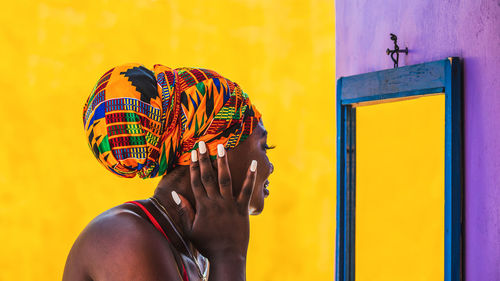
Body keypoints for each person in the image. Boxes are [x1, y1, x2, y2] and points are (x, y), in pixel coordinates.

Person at [63, 64, 274, 281]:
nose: (270, 167)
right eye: (265, 147)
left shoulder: (188, 253)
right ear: (216, 149)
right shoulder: (124, 238)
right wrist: (229, 255)